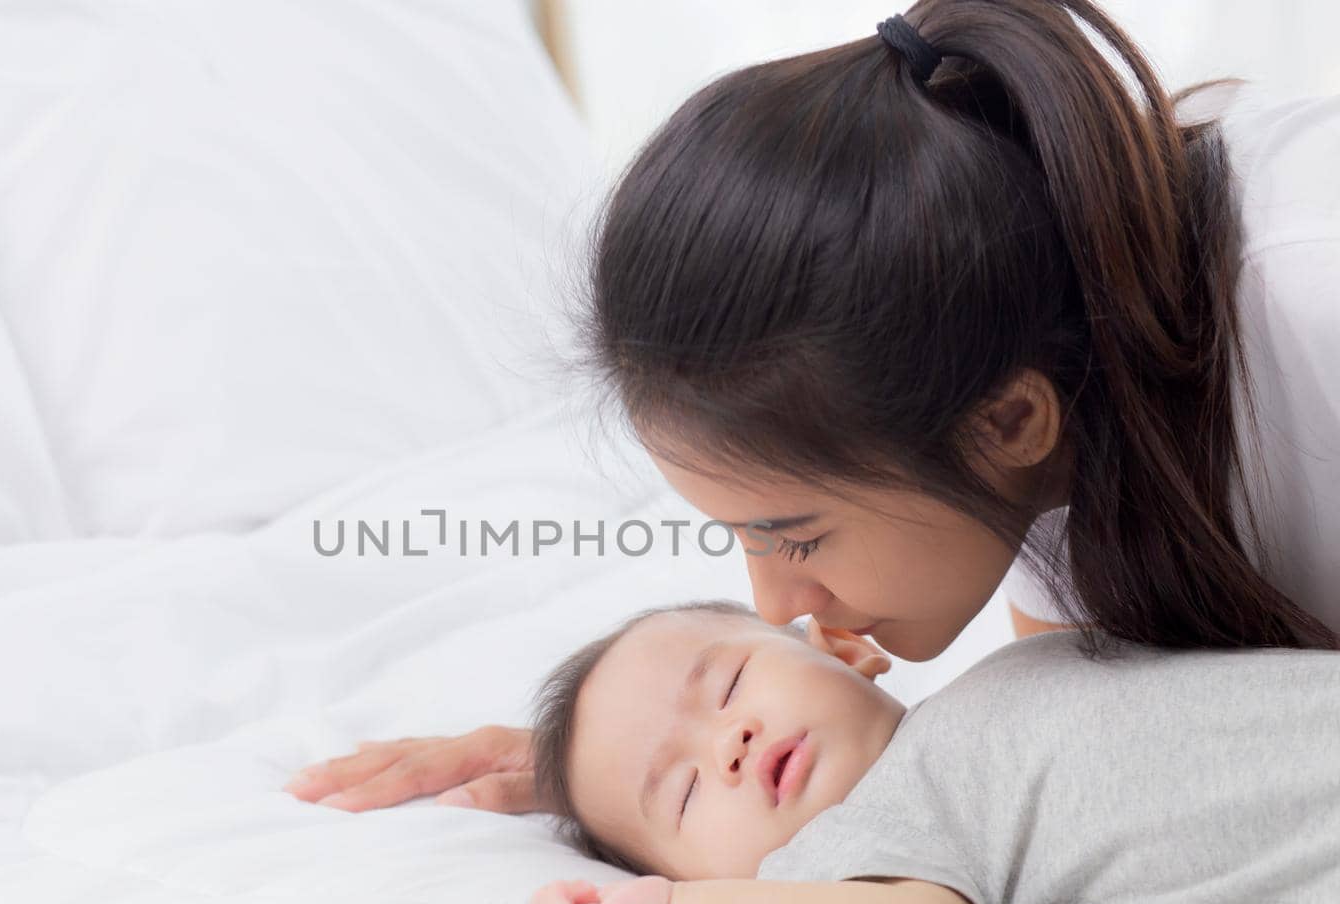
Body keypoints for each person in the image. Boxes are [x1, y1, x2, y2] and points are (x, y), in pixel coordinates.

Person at [284, 0, 1339, 815]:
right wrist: (628, 768)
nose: (781, 602)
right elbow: (1087, 747)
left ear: (1007, 423)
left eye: (793, 533)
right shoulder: (1028, 359)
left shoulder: (1306, 286)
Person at [521, 598, 1340, 904]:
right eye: (686, 792)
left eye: (730, 681)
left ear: (842, 645)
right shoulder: (862, 839)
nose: (726, 742)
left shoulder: (1009, 667)